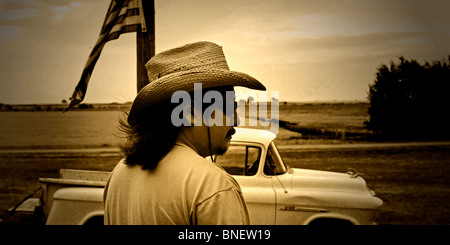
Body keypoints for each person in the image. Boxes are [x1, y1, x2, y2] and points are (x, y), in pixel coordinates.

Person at [103, 41, 266, 225]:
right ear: (190, 112)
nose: (236, 120)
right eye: (230, 106)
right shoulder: (211, 185)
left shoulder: (118, 175)